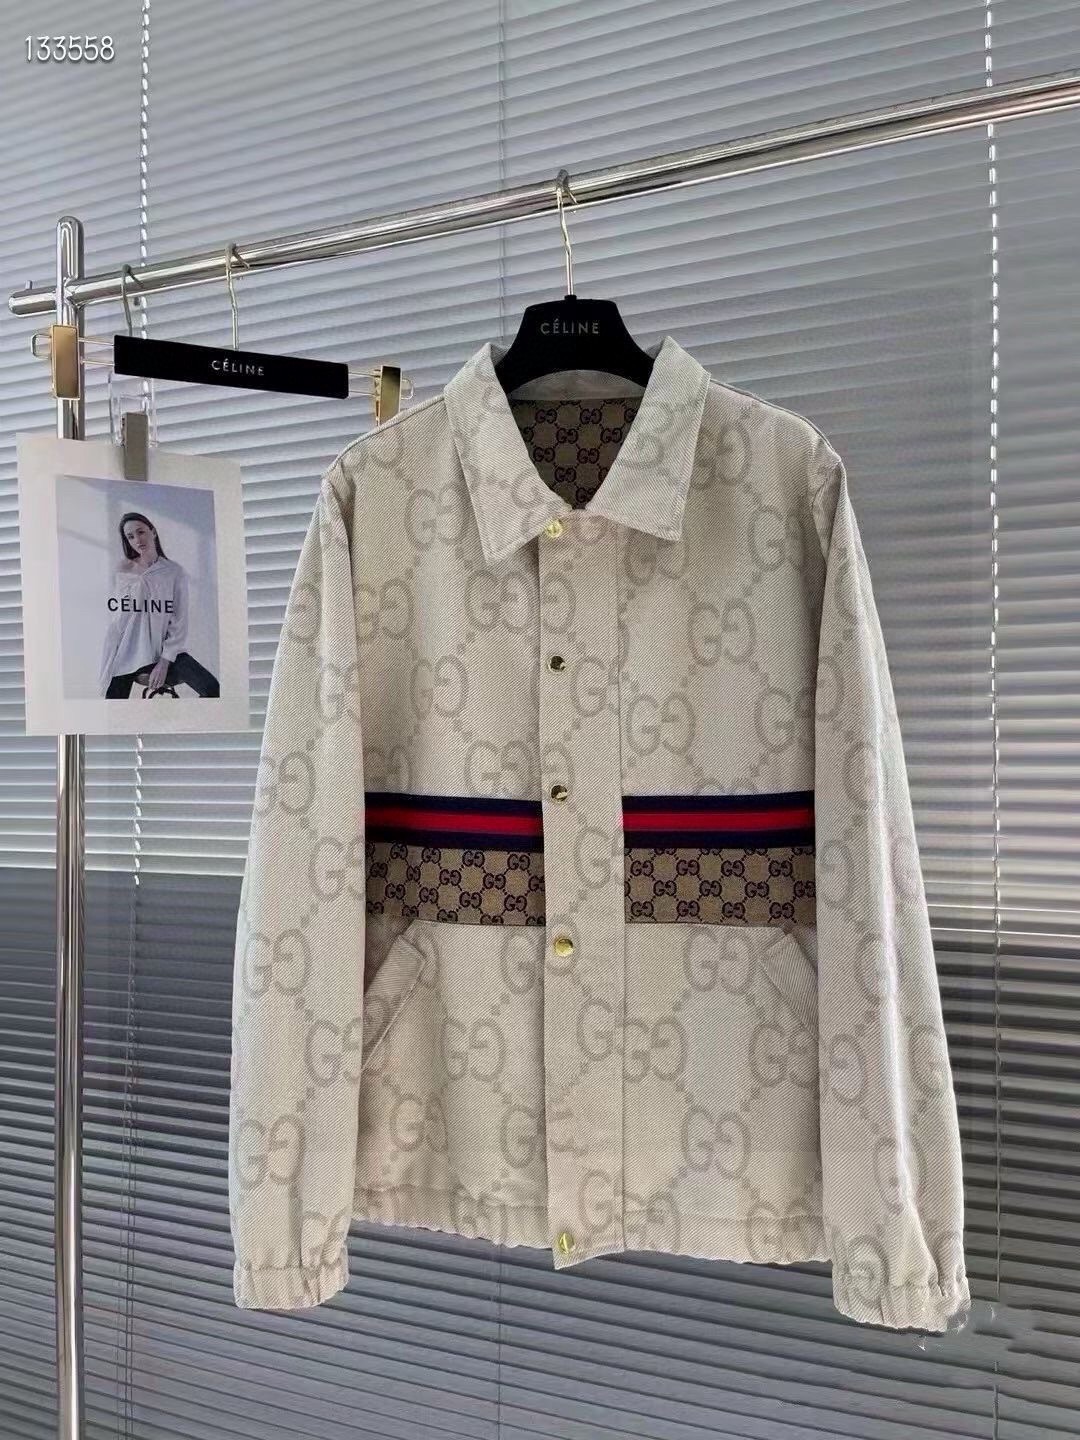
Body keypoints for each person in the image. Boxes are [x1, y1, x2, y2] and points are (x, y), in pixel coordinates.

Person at [98, 511, 220, 699]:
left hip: (166, 653)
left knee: (212, 688)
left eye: (141, 532)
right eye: (130, 536)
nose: (137, 540)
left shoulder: (174, 572)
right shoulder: (123, 569)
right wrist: (109, 661)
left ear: (153, 532)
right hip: (128, 653)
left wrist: (164, 662)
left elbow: (179, 623)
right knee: (112, 707)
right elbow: (118, 621)